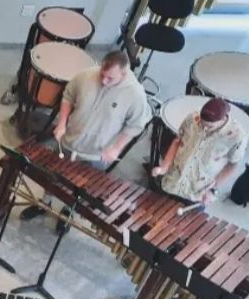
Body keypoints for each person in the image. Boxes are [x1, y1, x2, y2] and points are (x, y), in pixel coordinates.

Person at [20, 51, 151, 222]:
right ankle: (44, 203)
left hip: (96, 154)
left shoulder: (135, 94)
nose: (104, 81)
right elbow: (68, 96)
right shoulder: (86, 75)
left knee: (81, 186)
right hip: (69, 142)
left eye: (110, 78)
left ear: (123, 73)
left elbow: (136, 125)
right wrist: (62, 123)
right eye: (102, 74)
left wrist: (117, 148)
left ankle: (68, 212)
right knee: (52, 176)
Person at [151, 97, 249, 204]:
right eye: (202, 123)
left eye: (209, 126)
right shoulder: (193, 118)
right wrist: (164, 167)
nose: (204, 128)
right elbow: (177, 141)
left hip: (197, 192)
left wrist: (213, 189)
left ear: (222, 120)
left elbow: (233, 165)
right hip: (173, 181)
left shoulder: (237, 136)